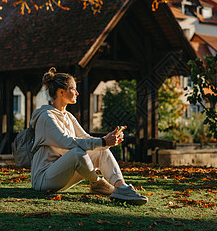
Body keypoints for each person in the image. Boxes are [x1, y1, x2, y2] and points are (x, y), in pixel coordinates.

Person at [29, 67, 147, 205]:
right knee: (77, 153)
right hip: (43, 180)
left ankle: (122, 187)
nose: (77, 93)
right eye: (73, 89)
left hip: (63, 176)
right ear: (61, 92)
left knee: (102, 151)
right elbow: (67, 142)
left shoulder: (68, 116)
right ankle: (97, 183)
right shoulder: (46, 117)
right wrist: (102, 141)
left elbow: (85, 138)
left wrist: (106, 141)